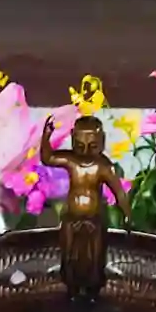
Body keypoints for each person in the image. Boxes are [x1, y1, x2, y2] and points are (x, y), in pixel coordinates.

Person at [40, 113, 129, 300]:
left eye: (93, 146)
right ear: (73, 141)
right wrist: (46, 136)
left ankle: (94, 288)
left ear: (102, 142)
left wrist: (126, 213)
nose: (86, 152)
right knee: (68, 252)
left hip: (94, 217)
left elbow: (119, 192)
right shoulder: (71, 160)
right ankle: (70, 284)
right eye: (80, 146)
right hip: (72, 216)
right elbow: (48, 158)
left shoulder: (103, 166)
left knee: (96, 255)